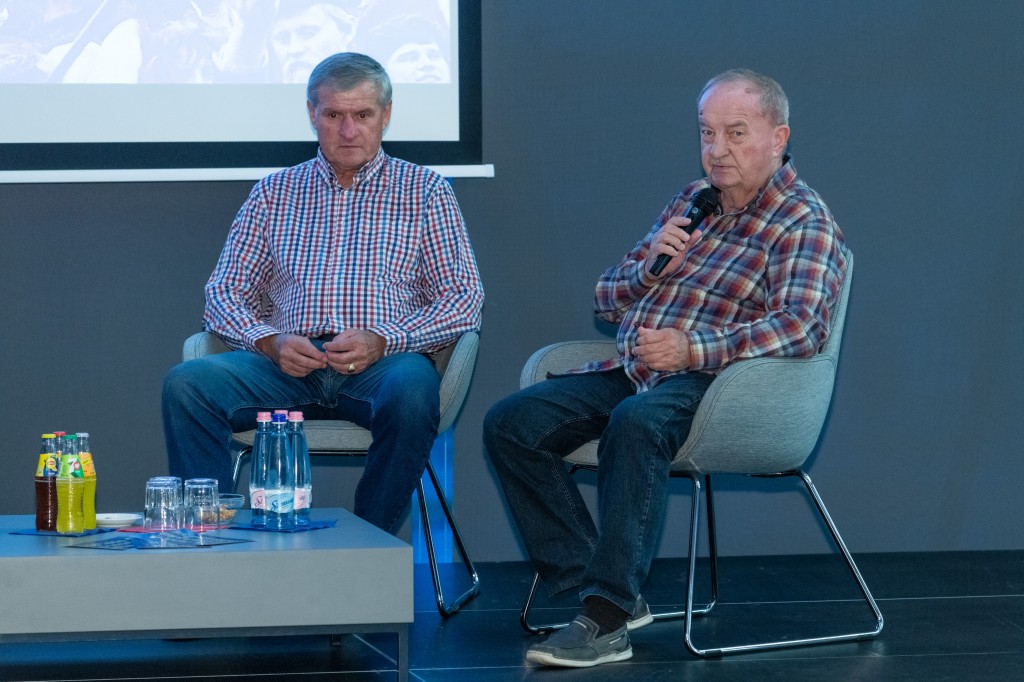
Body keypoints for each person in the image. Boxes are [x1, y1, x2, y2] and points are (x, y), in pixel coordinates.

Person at [484, 69, 848, 668]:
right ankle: (603, 588)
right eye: (707, 133)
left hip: (718, 385)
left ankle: (604, 620)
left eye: (736, 133)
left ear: (778, 137)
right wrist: (649, 269)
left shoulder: (803, 221)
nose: (717, 149)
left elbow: (802, 328)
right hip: (637, 369)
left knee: (637, 421)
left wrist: (690, 349)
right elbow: (606, 299)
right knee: (511, 424)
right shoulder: (693, 201)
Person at [162, 52, 484, 534]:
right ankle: (214, 540)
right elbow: (224, 293)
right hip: (286, 366)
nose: (348, 130)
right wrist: (268, 342)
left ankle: (369, 543)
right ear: (312, 114)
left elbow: (463, 298)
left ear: (386, 115)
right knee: (187, 385)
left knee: (414, 392)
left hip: (383, 365)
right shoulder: (274, 193)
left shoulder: (426, 191)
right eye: (333, 115)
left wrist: (384, 340)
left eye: (362, 115)